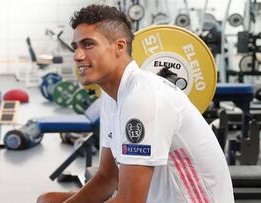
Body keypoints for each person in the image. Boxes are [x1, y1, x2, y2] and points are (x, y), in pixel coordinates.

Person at [37, 4, 234, 203]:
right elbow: (107, 177)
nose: (77, 56)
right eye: (75, 47)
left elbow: (130, 201)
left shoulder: (142, 96)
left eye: (88, 44)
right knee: (47, 200)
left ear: (119, 47)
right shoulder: (111, 96)